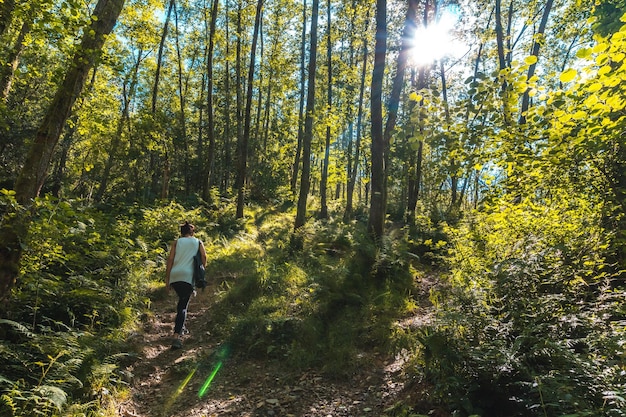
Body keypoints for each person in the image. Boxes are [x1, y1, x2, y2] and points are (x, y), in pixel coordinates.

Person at [165, 221, 206, 349]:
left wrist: (167, 279)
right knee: (183, 305)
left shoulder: (177, 242)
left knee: (181, 301)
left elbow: (170, 260)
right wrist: (202, 269)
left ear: (181, 232)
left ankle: (180, 327)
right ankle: (176, 336)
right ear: (192, 232)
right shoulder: (197, 242)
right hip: (188, 276)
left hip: (175, 275)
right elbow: (204, 256)